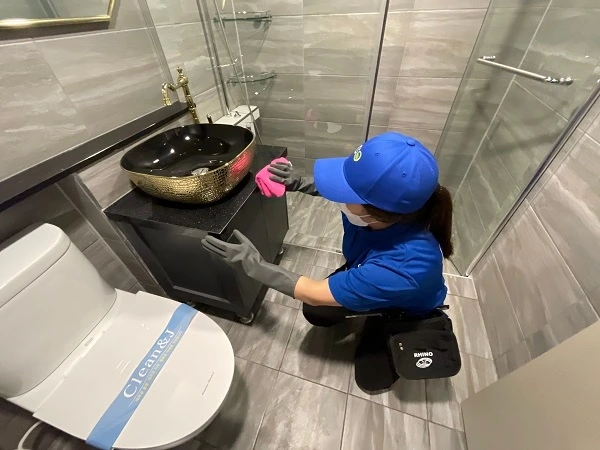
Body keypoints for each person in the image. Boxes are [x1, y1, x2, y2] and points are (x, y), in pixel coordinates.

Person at [202, 132, 453, 392]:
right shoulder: (386, 213)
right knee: (317, 312)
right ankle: (367, 305)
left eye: (347, 192)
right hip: (368, 269)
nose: (339, 195)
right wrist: (300, 183)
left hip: (406, 311)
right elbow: (352, 192)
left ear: (377, 212)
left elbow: (312, 292)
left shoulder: (405, 265)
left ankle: (379, 320)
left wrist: (254, 265)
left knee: (371, 380)